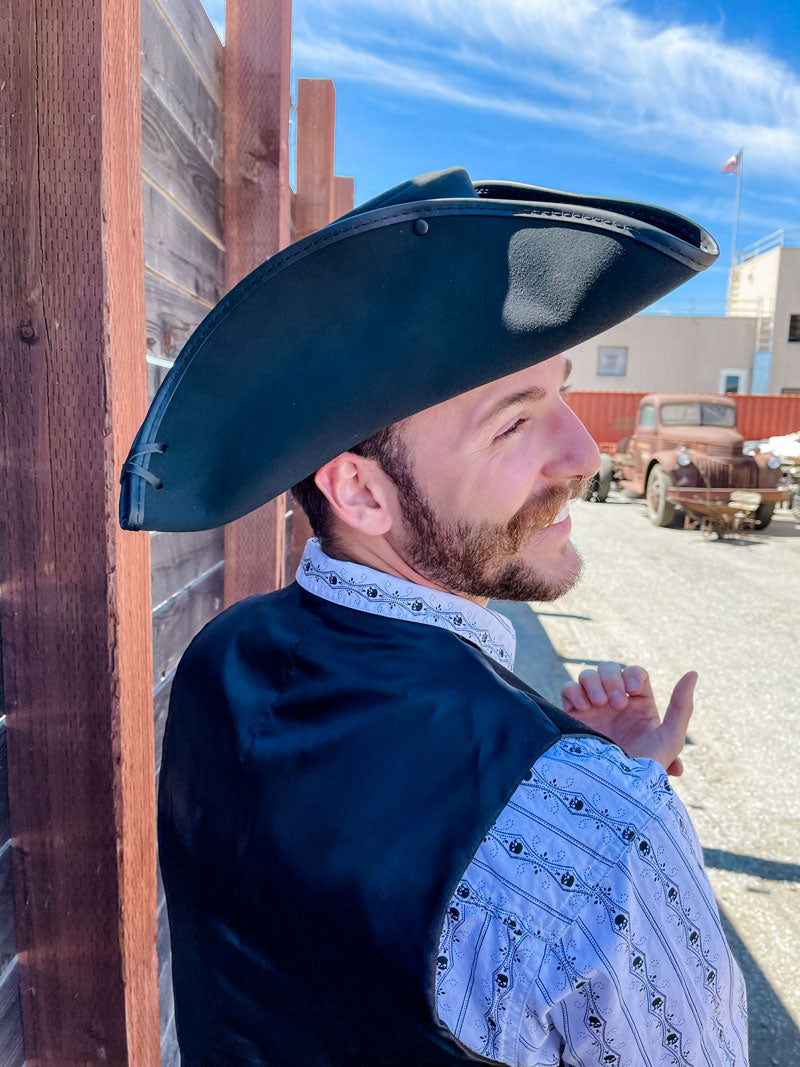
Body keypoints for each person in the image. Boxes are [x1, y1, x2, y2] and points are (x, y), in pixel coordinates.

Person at [121, 168, 746, 1063]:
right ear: (361, 491)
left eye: (561, 393)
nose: (583, 451)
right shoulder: (606, 843)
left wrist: (586, 776)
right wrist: (610, 806)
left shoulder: (220, 659)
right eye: (513, 422)